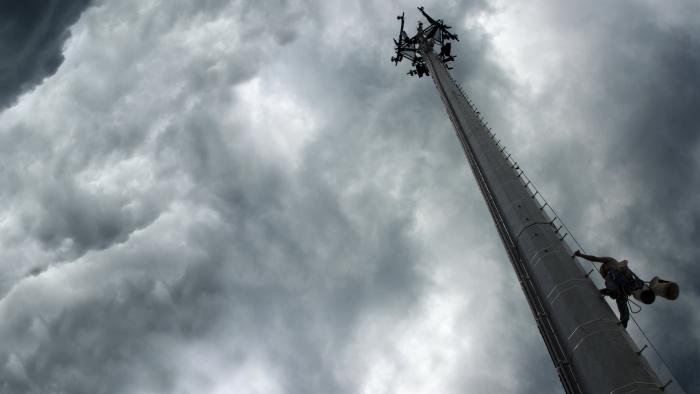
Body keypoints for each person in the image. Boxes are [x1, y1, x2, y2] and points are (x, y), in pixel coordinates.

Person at [573, 250, 645, 328]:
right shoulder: (615, 270)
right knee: (621, 299)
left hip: (620, 280)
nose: (603, 276)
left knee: (616, 293)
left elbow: (595, 258)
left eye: (603, 274)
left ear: (602, 270)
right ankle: (624, 321)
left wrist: (581, 255)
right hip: (625, 284)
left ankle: (611, 293)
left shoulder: (610, 263)